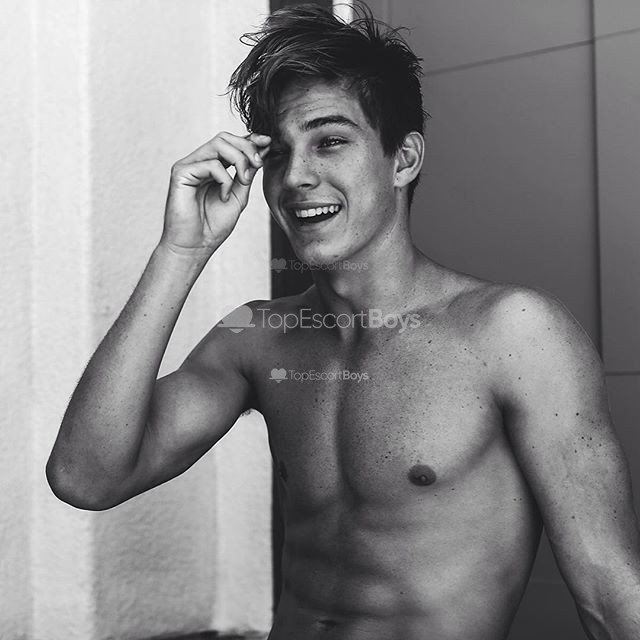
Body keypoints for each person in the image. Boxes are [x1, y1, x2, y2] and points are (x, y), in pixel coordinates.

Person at [47, 4, 640, 639]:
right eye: (279, 153)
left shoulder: (514, 333)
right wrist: (181, 251)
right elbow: (86, 478)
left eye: (330, 140)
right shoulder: (256, 337)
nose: (296, 177)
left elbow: (609, 593)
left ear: (403, 158)